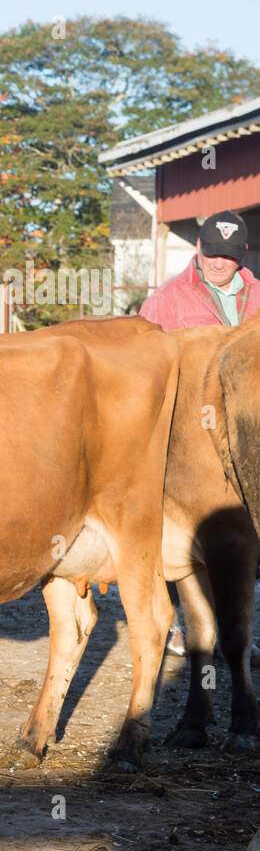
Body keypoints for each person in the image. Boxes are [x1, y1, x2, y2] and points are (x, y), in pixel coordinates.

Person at [139, 210, 259, 657]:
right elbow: (142, 361)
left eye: (227, 256)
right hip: (186, 432)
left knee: (243, 529)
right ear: (198, 250)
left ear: (241, 256)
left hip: (247, 431)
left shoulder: (259, 295)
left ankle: (240, 627)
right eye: (211, 253)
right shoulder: (168, 299)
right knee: (177, 526)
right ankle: (180, 624)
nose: (217, 263)